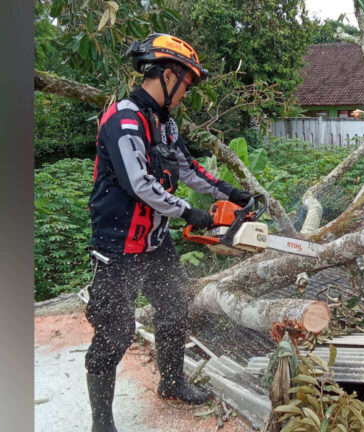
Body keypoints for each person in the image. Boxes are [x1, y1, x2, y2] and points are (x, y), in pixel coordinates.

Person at [85, 33, 252, 432]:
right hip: (118, 248)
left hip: (155, 243)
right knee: (114, 334)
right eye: (186, 84)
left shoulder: (164, 124)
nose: (186, 93)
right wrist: (192, 213)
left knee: (175, 309)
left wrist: (230, 192)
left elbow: (188, 168)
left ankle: (172, 381)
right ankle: (102, 423)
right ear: (167, 74)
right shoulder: (124, 120)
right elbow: (139, 183)